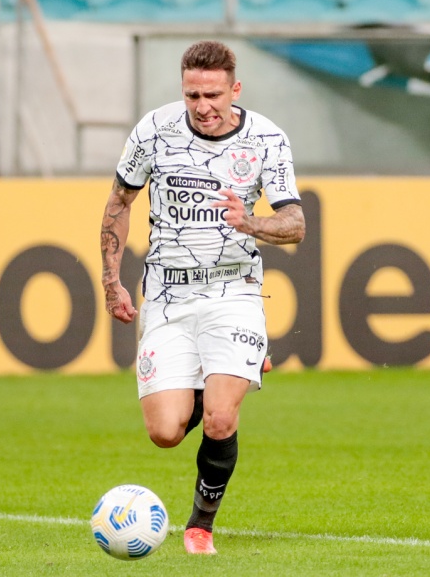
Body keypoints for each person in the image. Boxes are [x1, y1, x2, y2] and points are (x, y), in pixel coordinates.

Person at [99, 40, 305, 554]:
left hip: (233, 291)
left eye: (213, 94)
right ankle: (235, 367)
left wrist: (250, 221)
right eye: (193, 94)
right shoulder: (154, 130)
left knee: (219, 417)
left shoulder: (266, 139)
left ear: (235, 89)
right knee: (166, 432)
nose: (203, 106)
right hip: (167, 295)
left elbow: (296, 225)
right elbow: (118, 203)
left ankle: (199, 527)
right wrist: (111, 280)